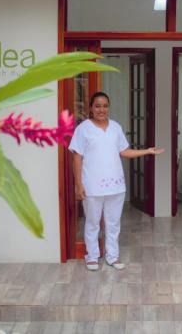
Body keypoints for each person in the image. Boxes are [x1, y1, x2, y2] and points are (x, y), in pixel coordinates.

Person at [69, 91, 164, 271]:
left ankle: (112, 256)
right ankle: (92, 256)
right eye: (97, 106)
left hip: (116, 186)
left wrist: (147, 151)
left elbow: (124, 152)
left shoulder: (116, 127)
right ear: (91, 108)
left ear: (108, 108)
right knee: (92, 222)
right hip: (92, 186)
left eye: (105, 106)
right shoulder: (83, 129)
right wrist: (79, 185)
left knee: (113, 223)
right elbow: (76, 158)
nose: (101, 109)